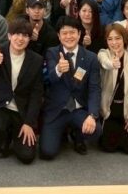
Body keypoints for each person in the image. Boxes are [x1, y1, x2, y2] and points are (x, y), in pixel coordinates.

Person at [40, 16, 102, 159]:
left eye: (72, 32)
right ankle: (61, 132)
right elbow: (49, 78)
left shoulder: (91, 57)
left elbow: (94, 88)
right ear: (58, 35)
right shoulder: (52, 53)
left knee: (96, 131)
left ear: (79, 34)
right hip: (57, 110)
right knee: (47, 152)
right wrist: (58, 69)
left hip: (78, 109)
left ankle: (77, 134)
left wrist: (92, 115)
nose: (69, 36)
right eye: (64, 33)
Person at [0, 18, 44, 164]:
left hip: (21, 112)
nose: (20, 39)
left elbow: (36, 94)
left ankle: (15, 134)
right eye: (17, 34)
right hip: (0, 106)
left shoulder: (36, 60)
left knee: (27, 157)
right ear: (9, 36)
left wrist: (29, 123)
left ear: (29, 39)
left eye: (25, 35)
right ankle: (4, 138)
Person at [98, 23, 128, 154]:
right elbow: (104, 62)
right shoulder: (103, 54)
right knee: (108, 147)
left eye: (117, 38)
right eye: (110, 39)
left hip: (127, 108)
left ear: (124, 39)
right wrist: (112, 64)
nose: (114, 42)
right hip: (109, 109)